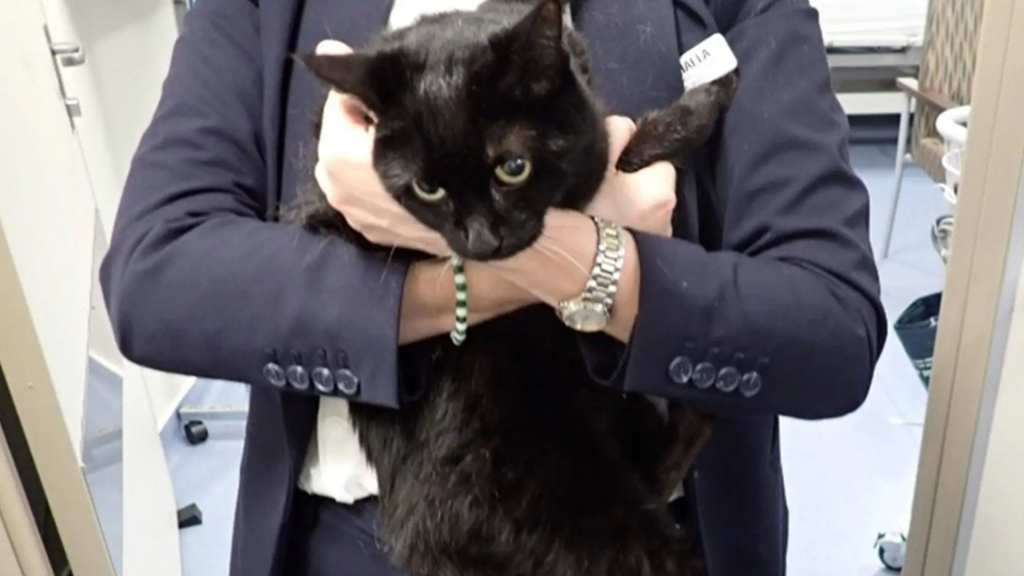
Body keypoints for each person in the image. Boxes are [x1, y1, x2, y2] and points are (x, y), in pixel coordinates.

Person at [99, 0, 887, 574]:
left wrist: (588, 260)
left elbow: (830, 326)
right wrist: (455, 263)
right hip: (351, 538)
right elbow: (155, 274)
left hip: (631, 525)